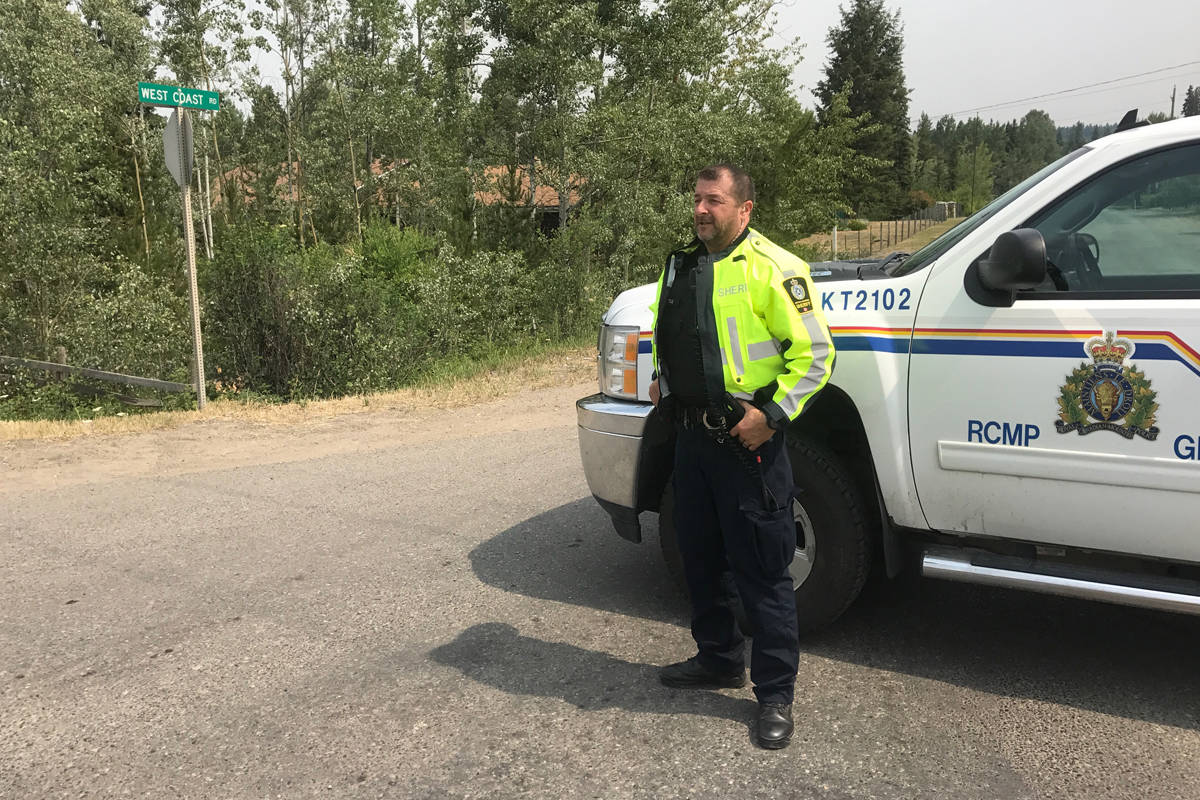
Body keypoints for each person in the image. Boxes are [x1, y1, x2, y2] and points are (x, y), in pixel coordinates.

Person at [649, 164, 835, 750]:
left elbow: (815, 356)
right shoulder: (678, 265)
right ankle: (718, 659)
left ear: (744, 210)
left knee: (762, 570)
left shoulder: (777, 270)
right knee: (700, 559)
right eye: (697, 198)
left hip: (746, 443)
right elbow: (669, 334)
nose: (702, 210)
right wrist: (662, 377)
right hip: (691, 444)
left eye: (716, 201)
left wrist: (771, 417)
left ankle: (775, 694)